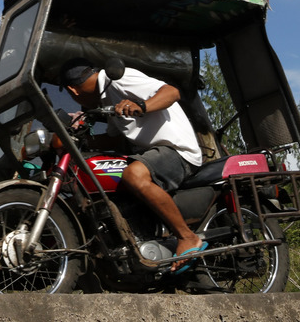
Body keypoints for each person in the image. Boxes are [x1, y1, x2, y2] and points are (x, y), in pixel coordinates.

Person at [60, 58, 206, 271]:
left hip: (177, 151)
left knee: (133, 175)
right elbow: (115, 139)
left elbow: (172, 93)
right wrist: (74, 140)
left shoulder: (118, 79)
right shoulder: (106, 96)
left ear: (73, 91)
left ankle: (187, 237)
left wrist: (141, 106)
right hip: (153, 155)